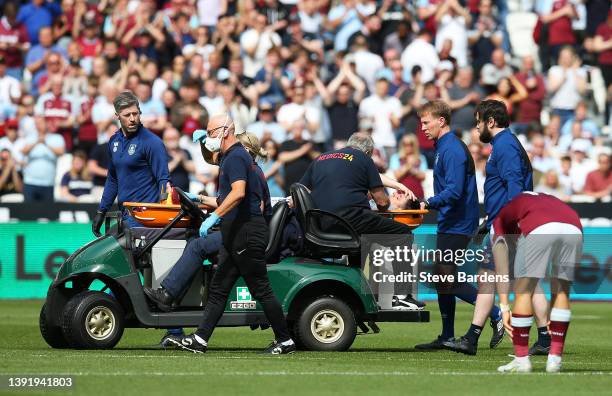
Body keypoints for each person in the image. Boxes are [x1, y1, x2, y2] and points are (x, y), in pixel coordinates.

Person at [166, 114, 296, 355]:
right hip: (235, 232)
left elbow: (237, 194)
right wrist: (200, 199)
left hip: (245, 232)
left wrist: (215, 217)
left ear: (225, 131)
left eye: (211, 132)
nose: (208, 136)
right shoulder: (232, 157)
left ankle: (285, 340)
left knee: (261, 289)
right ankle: (201, 339)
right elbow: (226, 197)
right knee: (219, 289)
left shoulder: (236, 156)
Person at [444, 99, 539, 356]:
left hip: (507, 225)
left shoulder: (505, 145)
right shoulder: (503, 144)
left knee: (507, 280)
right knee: (506, 280)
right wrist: (489, 221)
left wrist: (508, 223)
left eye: (478, 123)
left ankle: (473, 338)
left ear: (491, 122)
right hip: (501, 222)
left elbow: (515, 187)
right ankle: (474, 338)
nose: (476, 129)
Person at [413, 100, 503, 351]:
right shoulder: (444, 147)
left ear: (441, 121)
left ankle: (495, 314)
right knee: (444, 278)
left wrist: (428, 203)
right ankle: (447, 335)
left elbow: (453, 191)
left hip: (459, 223)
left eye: (426, 122)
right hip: (451, 221)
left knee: (445, 278)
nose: (423, 127)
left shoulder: (451, 148)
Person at [299, 132, 424, 310]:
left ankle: (357, 297)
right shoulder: (363, 159)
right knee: (403, 234)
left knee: (362, 246)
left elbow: (301, 189)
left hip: (319, 224)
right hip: (350, 219)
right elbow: (381, 201)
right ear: (369, 152)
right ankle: (402, 296)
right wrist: (384, 207)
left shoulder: (322, 157)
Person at [492, 192, 582, 373]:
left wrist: (503, 306)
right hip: (574, 227)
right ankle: (555, 359)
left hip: (540, 227)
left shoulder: (500, 217)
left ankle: (522, 360)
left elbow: (501, 265)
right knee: (562, 292)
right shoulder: (545, 199)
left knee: (523, 291)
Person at [92, 91, 170, 235]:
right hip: (125, 216)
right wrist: (101, 210)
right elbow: (113, 178)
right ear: (117, 116)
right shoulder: (114, 141)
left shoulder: (152, 142)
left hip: (146, 219)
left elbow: (164, 181)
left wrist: (162, 216)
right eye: (127, 115)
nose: (132, 119)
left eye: (135, 113)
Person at [20, 116, 65, 202]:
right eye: (36, 124)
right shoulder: (30, 138)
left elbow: (61, 152)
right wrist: (37, 142)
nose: (38, 126)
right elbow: (24, 151)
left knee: (46, 213)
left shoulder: (56, 137)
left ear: (47, 123)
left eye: (40, 123)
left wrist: (45, 143)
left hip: (48, 182)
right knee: (28, 212)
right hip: (30, 182)